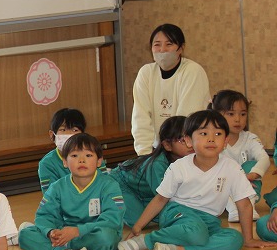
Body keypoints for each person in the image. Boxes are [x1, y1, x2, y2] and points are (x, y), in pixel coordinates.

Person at [118, 110, 274, 250]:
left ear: (226, 141)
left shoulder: (232, 168)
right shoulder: (179, 167)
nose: (211, 139)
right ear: (188, 140)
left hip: (210, 220)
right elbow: (160, 199)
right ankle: (145, 241)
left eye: (218, 134)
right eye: (204, 134)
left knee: (234, 240)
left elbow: (244, 205)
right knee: (196, 232)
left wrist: (248, 239)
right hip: (178, 213)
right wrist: (137, 227)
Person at [20, 134, 124, 250]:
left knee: (106, 238)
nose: (81, 160)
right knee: (24, 235)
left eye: (88, 155)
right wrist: (51, 232)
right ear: (65, 161)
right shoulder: (57, 187)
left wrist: (77, 231)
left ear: (99, 161)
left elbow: (112, 220)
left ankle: (62, 248)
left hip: (94, 234)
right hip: (65, 233)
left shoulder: (109, 185)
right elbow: (44, 215)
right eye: (74, 156)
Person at [131, 23, 211, 155]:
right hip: (158, 150)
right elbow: (140, 118)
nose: (162, 50)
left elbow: (186, 118)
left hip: (188, 149)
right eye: (157, 45)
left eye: (169, 44)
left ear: (181, 48)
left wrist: (172, 151)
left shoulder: (192, 71)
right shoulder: (146, 73)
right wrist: (144, 154)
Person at [109, 116, 191, 227]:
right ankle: (105, 199)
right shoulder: (158, 164)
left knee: (158, 212)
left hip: (143, 190)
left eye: (191, 138)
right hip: (119, 183)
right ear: (167, 145)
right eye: (183, 140)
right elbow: (163, 197)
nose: (190, 144)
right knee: (138, 220)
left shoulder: (192, 159)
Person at [210, 89, 269, 222]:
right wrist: (236, 179)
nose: (238, 119)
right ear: (218, 115)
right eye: (231, 114)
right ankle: (233, 208)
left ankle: (249, 206)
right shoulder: (212, 139)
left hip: (247, 186)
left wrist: (252, 175)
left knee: (251, 165)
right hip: (222, 191)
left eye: (243, 114)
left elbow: (264, 158)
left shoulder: (250, 138)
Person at [37, 108, 105, 193]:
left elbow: (105, 185)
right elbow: (51, 195)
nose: (69, 134)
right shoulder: (47, 163)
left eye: (75, 130)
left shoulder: (94, 155)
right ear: (52, 135)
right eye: (63, 130)